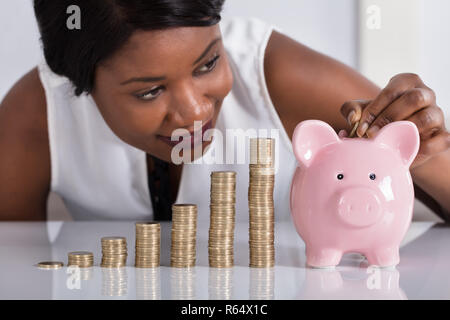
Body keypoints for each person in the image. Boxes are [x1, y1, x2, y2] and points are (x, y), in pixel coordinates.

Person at [0, 0, 448, 221]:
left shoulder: (279, 75)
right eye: (150, 91)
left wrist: (416, 155)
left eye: (209, 63)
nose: (195, 112)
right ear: (77, 82)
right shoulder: (34, 115)